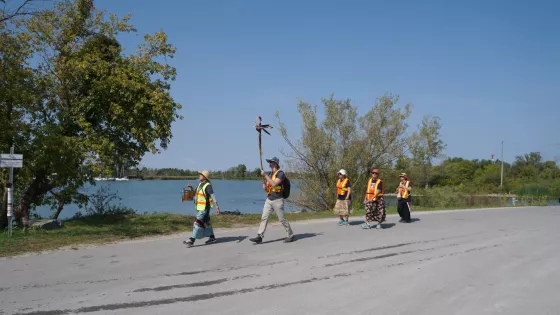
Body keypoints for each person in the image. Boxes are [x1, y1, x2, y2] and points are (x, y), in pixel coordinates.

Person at [249, 157, 294, 244]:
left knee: (282, 219)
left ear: (275, 163)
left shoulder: (280, 174)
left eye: (271, 162)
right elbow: (270, 187)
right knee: (264, 218)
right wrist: (265, 187)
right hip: (269, 199)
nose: (269, 163)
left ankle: (290, 235)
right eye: (269, 161)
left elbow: (274, 184)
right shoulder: (270, 174)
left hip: (278, 200)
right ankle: (259, 236)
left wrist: (265, 175)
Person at [183, 170, 221, 248]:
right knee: (207, 222)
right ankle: (212, 237)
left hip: (204, 208)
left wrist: (217, 206)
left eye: (201, 175)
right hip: (200, 207)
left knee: (197, 222)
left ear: (204, 177)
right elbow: (195, 193)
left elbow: (213, 196)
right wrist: (191, 188)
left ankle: (191, 240)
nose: (199, 175)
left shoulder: (208, 185)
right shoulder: (200, 184)